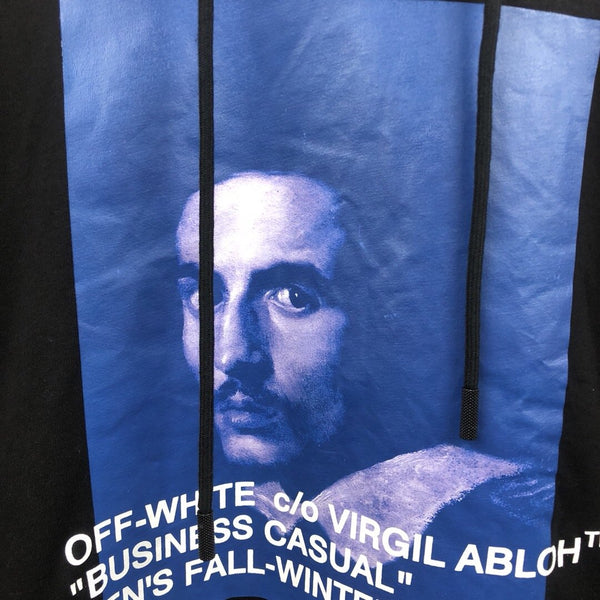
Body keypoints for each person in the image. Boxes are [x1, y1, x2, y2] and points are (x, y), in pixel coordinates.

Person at [176, 171, 524, 564]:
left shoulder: (498, 517)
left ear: (387, 319)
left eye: (293, 298)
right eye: (205, 296)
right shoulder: (241, 505)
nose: (232, 355)